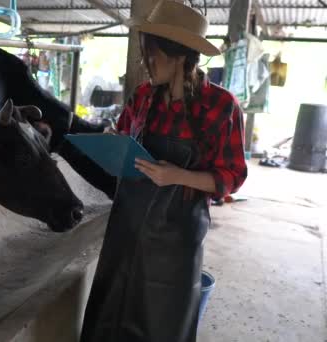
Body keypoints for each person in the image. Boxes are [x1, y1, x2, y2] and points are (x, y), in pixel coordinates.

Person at [78, 1, 248, 341]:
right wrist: (112, 145)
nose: (145, 63)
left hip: (176, 238)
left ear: (180, 56)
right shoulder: (142, 96)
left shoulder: (220, 106)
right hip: (126, 225)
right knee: (111, 313)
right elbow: (124, 137)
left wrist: (177, 176)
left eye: (152, 54)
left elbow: (232, 176)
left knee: (161, 321)